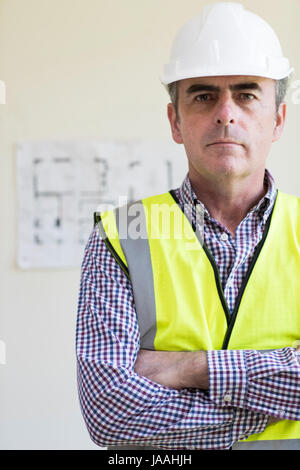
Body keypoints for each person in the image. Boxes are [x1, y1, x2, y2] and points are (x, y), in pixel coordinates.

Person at [76, 2, 300, 450]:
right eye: (202, 95)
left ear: (277, 119)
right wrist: (273, 402)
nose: (225, 113)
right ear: (175, 121)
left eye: (247, 93)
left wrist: (190, 369)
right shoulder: (124, 234)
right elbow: (110, 414)